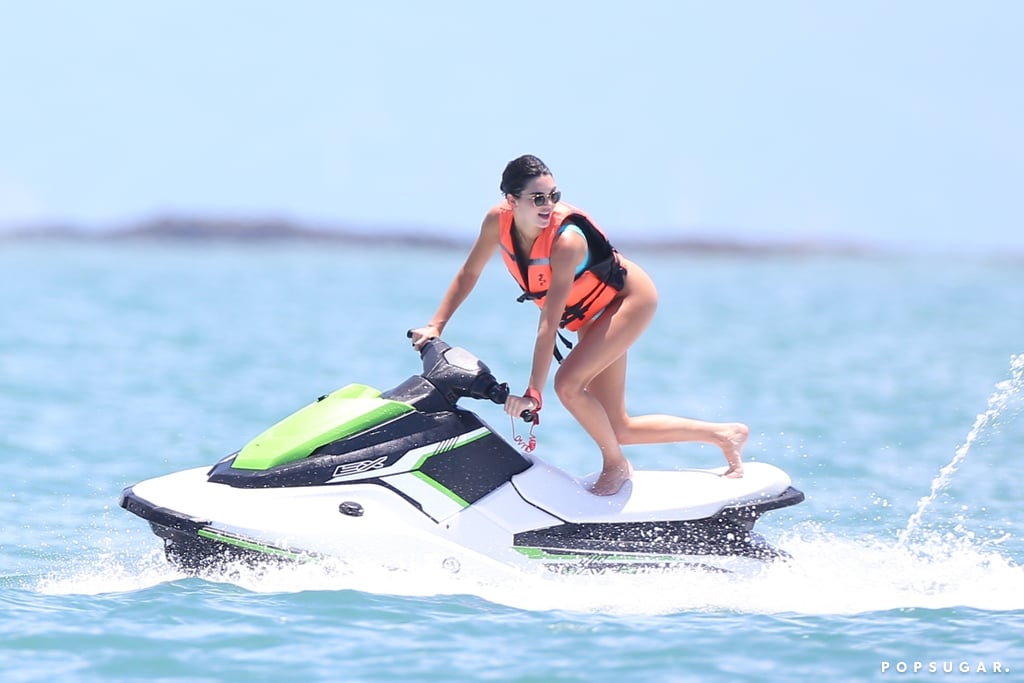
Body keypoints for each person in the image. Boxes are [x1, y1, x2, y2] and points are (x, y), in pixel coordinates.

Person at [410, 154, 747, 495]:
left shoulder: (567, 241)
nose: (548, 205)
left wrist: (533, 394)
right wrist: (435, 326)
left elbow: (549, 321)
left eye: (553, 196)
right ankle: (724, 435)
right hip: (592, 314)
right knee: (617, 427)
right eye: (537, 198)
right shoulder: (496, 222)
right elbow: (469, 273)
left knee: (568, 385)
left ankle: (616, 466)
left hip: (627, 300)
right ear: (511, 201)